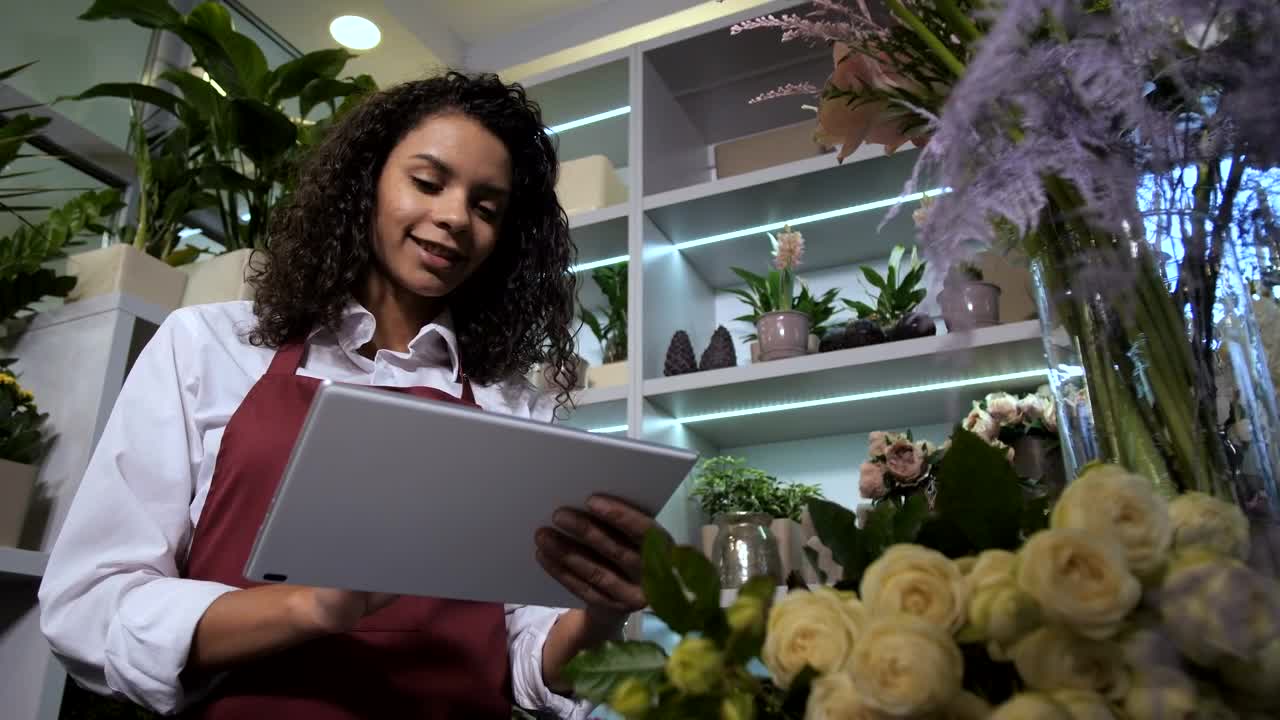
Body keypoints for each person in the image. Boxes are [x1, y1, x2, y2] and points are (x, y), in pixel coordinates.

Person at [37, 71, 657, 719]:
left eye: (486, 207)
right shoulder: (209, 347)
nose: (455, 217)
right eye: (428, 182)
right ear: (366, 183)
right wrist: (310, 607)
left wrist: (601, 613)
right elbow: (90, 604)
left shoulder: (514, 405)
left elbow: (529, 662)